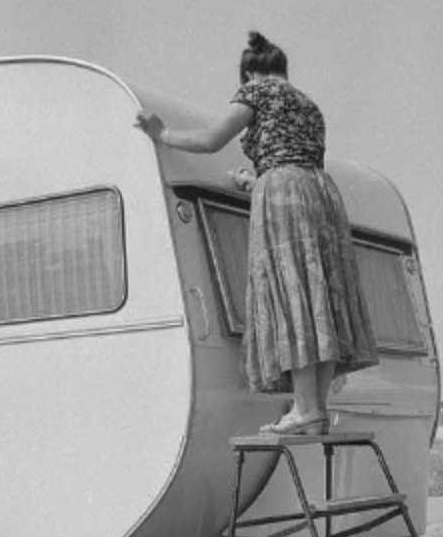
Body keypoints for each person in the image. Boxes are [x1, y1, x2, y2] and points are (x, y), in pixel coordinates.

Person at [135, 31, 379, 435]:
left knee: (291, 290)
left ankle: (303, 409)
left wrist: (163, 135)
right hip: (320, 193)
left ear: (250, 73)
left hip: (283, 190)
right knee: (319, 293)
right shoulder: (309, 105)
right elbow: (293, 159)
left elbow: (212, 139)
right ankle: (315, 408)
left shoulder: (258, 91)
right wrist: (256, 181)